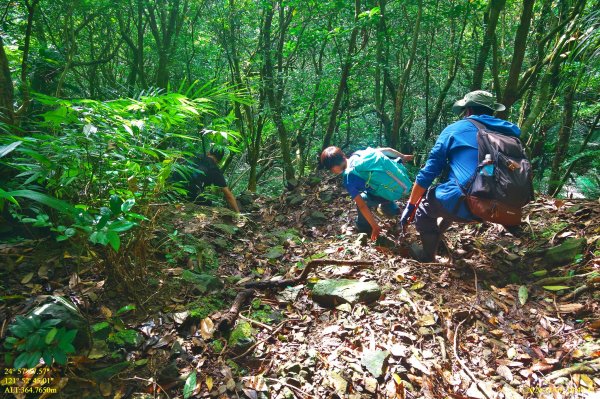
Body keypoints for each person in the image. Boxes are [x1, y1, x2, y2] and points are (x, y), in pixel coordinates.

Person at [399, 90, 521, 262]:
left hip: (470, 203)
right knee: (453, 188)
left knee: (426, 207)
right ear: (492, 111)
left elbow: (428, 173)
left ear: (468, 110)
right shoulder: (510, 132)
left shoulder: (455, 130)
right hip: (505, 207)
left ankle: (427, 256)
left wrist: (410, 206)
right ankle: (438, 237)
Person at [320, 146, 413, 241]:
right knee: (376, 188)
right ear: (343, 155)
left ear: (334, 168)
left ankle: (364, 228)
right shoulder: (360, 154)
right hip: (398, 184)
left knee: (364, 198)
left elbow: (362, 206)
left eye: (331, 169)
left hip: (385, 192)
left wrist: (375, 226)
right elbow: (387, 150)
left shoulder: (348, 178)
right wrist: (403, 156)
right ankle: (393, 210)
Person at [171, 148, 240, 213]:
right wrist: (238, 213)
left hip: (170, 187)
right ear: (220, 161)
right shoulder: (215, 170)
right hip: (187, 195)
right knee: (208, 203)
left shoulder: (193, 156)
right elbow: (228, 195)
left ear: (208, 153)